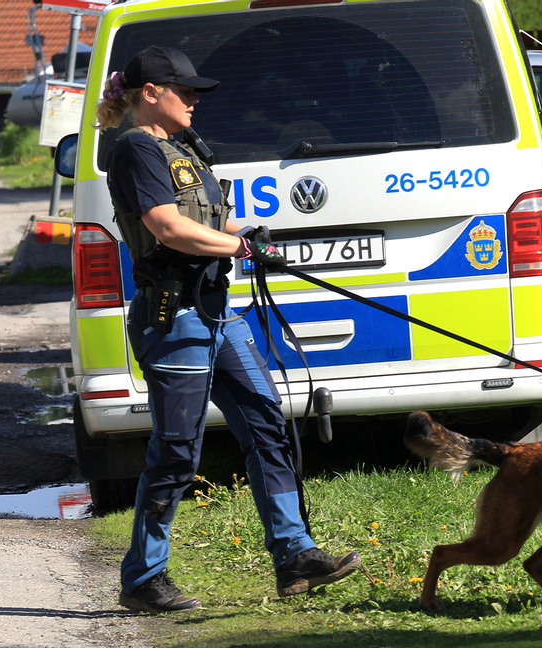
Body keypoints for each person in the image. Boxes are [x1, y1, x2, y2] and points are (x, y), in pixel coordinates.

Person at [94, 45, 361, 614]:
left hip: (218, 314)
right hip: (174, 319)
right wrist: (238, 246)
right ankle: (142, 579)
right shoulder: (136, 151)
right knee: (177, 452)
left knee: (267, 422)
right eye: (185, 90)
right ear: (150, 94)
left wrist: (253, 235)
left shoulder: (183, 148)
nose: (194, 100)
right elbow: (167, 228)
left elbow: (205, 223)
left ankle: (293, 556)